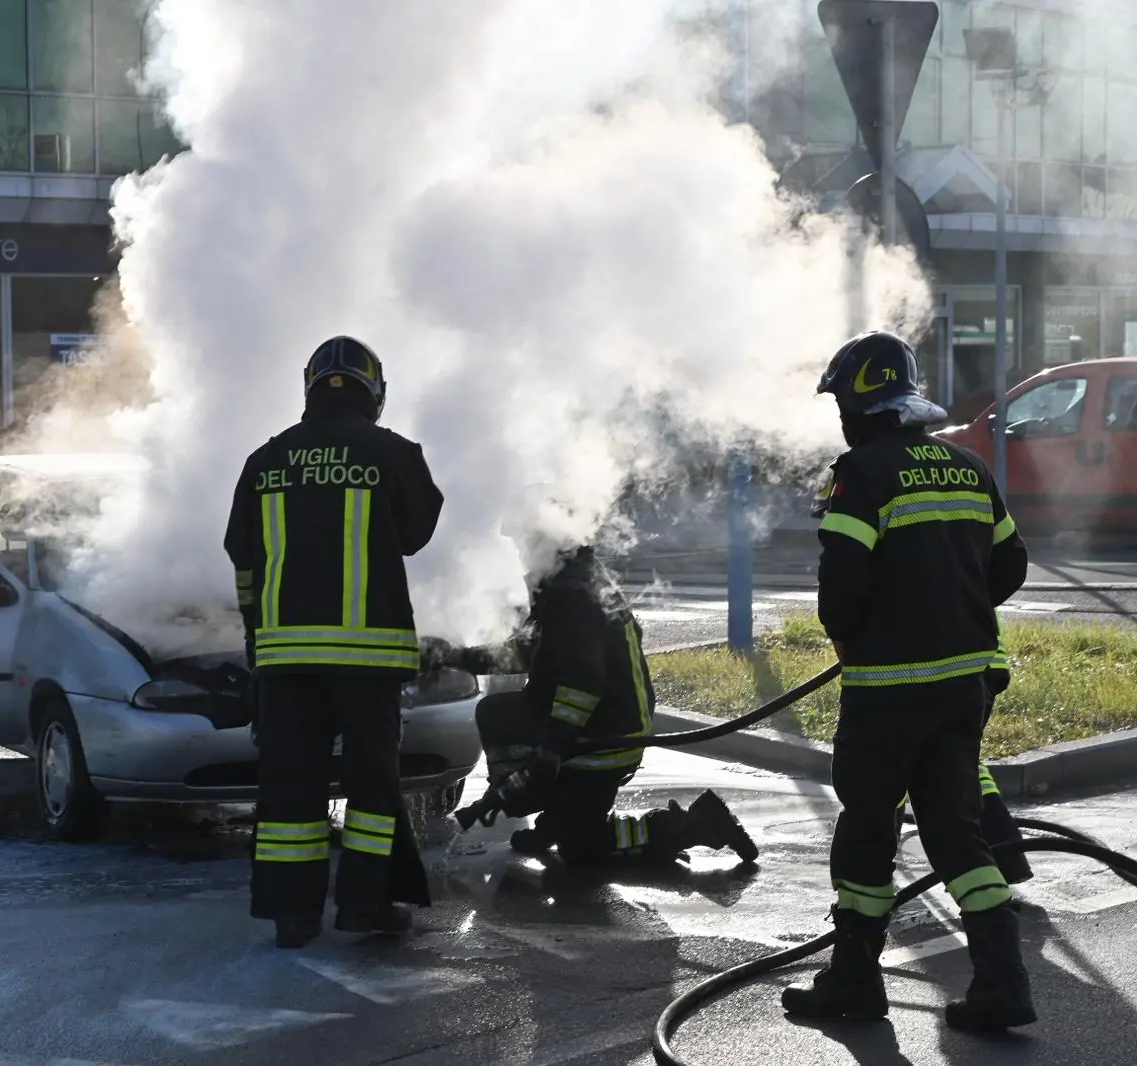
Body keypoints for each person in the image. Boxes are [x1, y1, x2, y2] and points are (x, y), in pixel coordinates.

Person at [783, 330, 1035, 1031]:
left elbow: (842, 592)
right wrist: (953, 610)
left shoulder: (858, 474)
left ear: (860, 405)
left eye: (841, 402)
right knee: (958, 835)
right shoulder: (967, 466)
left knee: (866, 833)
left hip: (888, 695)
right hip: (965, 689)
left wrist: (869, 639)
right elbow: (1010, 565)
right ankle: (1003, 985)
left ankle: (856, 984)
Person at [224, 335, 444, 950]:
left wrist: (256, 639)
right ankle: (366, 905)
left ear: (310, 386)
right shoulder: (394, 453)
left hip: (285, 660)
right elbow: (415, 534)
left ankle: (291, 916)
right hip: (368, 661)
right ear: (375, 391)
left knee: (289, 785)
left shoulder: (264, 461)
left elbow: (243, 559)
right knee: (373, 787)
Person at [423, 494, 759, 867]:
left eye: (523, 542)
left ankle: (693, 824)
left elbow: (583, 683)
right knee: (498, 712)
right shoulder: (572, 582)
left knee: (582, 849)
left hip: (603, 738)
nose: (519, 553)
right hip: (606, 726)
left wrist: (550, 751)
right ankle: (556, 814)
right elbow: (525, 653)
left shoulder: (573, 595)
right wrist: (455, 656)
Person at [811, 485, 1033, 886]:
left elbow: (847, 617)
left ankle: (876, 876)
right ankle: (1004, 862)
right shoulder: (920, 542)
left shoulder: (873, 551)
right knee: (959, 767)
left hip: (942, 673)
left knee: (899, 770)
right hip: (975, 666)